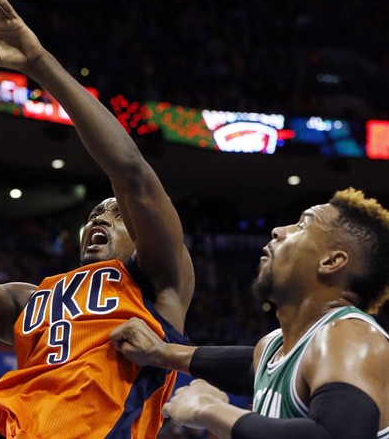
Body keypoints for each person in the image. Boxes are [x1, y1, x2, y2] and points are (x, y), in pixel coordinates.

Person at [0, 0, 194, 438]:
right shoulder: (31, 301)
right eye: (94, 213)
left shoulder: (159, 281)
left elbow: (129, 170)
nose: (100, 217)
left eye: (115, 213)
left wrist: (39, 65)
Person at [110, 188, 389, 438]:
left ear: (331, 261)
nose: (279, 230)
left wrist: (210, 410)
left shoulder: (352, 336)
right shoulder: (277, 346)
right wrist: (162, 353)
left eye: (303, 225)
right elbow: (249, 366)